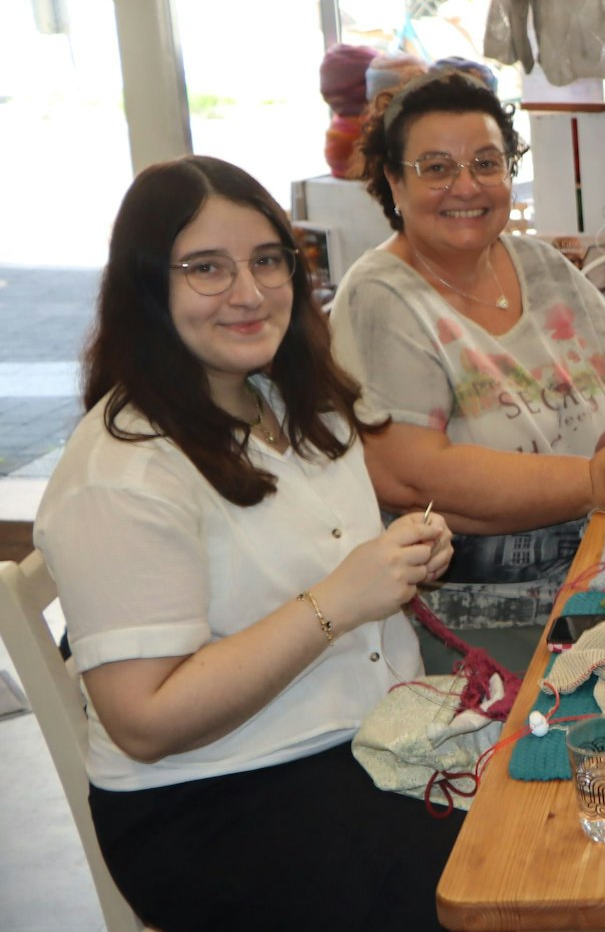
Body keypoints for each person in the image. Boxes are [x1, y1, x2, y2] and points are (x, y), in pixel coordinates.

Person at [35, 156, 459, 930]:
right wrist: (338, 600)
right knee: (502, 890)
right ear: (145, 286)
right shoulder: (122, 472)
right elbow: (145, 718)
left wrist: (397, 565)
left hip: (367, 744)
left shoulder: (291, 401)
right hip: (218, 804)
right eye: (206, 268)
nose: (249, 291)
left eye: (268, 260)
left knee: (561, 820)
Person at [330, 70, 605, 668]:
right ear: (392, 182)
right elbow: (411, 475)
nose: (466, 185)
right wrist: (591, 482)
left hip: (598, 569)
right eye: (436, 167)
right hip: (472, 619)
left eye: (487, 163)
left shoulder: (539, 265)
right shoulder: (380, 299)